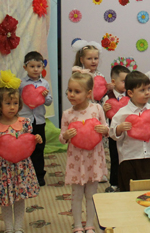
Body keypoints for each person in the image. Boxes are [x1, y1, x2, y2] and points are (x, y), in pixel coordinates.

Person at [0, 71, 42, 233]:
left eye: (15, 103)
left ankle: (18, 227)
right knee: (5, 199)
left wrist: (36, 139)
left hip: (21, 168)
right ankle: (9, 228)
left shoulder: (25, 123)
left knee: (19, 198)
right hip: (3, 170)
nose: (12, 107)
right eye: (8, 103)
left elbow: (27, 144)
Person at [59, 73, 109, 233]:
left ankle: (89, 224)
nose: (71, 94)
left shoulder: (97, 109)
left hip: (93, 159)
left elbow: (106, 129)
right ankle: (77, 226)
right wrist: (66, 136)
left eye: (76, 91)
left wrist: (104, 130)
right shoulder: (67, 114)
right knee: (76, 194)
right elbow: (62, 138)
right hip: (76, 161)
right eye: (69, 90)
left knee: (91, 194)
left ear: (88, 93)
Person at [109, 71, 150, 191]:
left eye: (148, 88)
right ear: (130, 93)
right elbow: (113, 134)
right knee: (128, 187)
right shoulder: (122, 113)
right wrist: (119, 129)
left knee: (146, 187)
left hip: (149, 156)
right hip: (128, 157)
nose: (147, 93)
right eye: (142, 90)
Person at [19, 51, 53, 186]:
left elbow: (49, 102)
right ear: (25, 67)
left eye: (38, 66)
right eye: (32, 66)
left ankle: (39, 175)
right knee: (24, 148)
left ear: (42, 67)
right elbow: (16, 100)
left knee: (39, 148)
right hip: (24, 121)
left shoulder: (44, 83)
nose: (35, 69)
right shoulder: (21, 84)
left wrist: (45, 96)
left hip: (39, 121)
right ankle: (24, 175)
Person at [102, 64, 130, 192]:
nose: (126, 84)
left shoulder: (130, 96)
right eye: (123, 81)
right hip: (114, 133)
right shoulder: (107, 97)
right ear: (113, 82)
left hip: (128, 132)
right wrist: (104, 110)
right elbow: (102, 117)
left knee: (127, 157)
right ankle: (114, 183)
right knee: (115, 157)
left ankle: (126, 182)